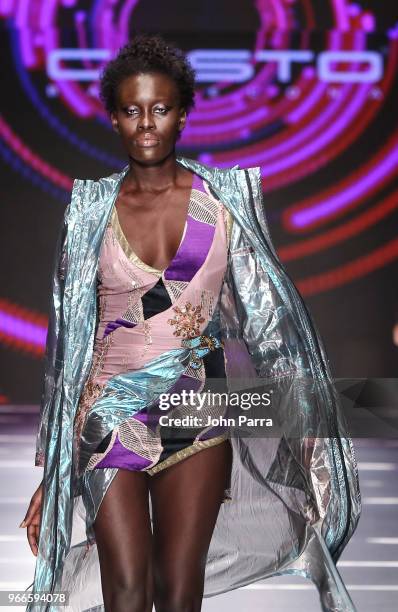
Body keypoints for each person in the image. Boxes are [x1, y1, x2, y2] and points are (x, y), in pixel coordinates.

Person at [21, 34, 361, 612]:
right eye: (131, 111)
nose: (146, 124)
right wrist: (52, 469)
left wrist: (312, 445)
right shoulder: (88, 212)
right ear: (113, 119)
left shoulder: (223, 203)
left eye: (160, 109)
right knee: (125, 591)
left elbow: (271, 329)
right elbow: (67, 345)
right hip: (107, 420)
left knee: (180, 596)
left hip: (199, 416)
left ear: (182, 114)